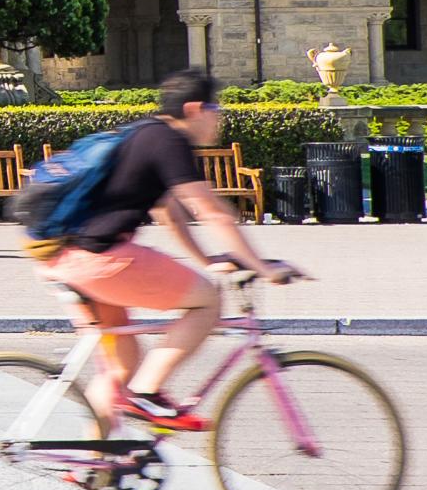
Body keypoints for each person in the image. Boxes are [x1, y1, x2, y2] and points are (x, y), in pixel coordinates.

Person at [34, 67, 301, 435]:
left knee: (119, 369)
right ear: (194, 109)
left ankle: (98, 475)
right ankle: (147, 394)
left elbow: (167, 210)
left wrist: (208, 259)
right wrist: (263, 267)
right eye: (216, 111)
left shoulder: (145, 134)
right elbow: (209, 211)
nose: (219, 120)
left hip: (66, 258)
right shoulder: (169, 141)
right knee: (207, 300)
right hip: (99, 258)